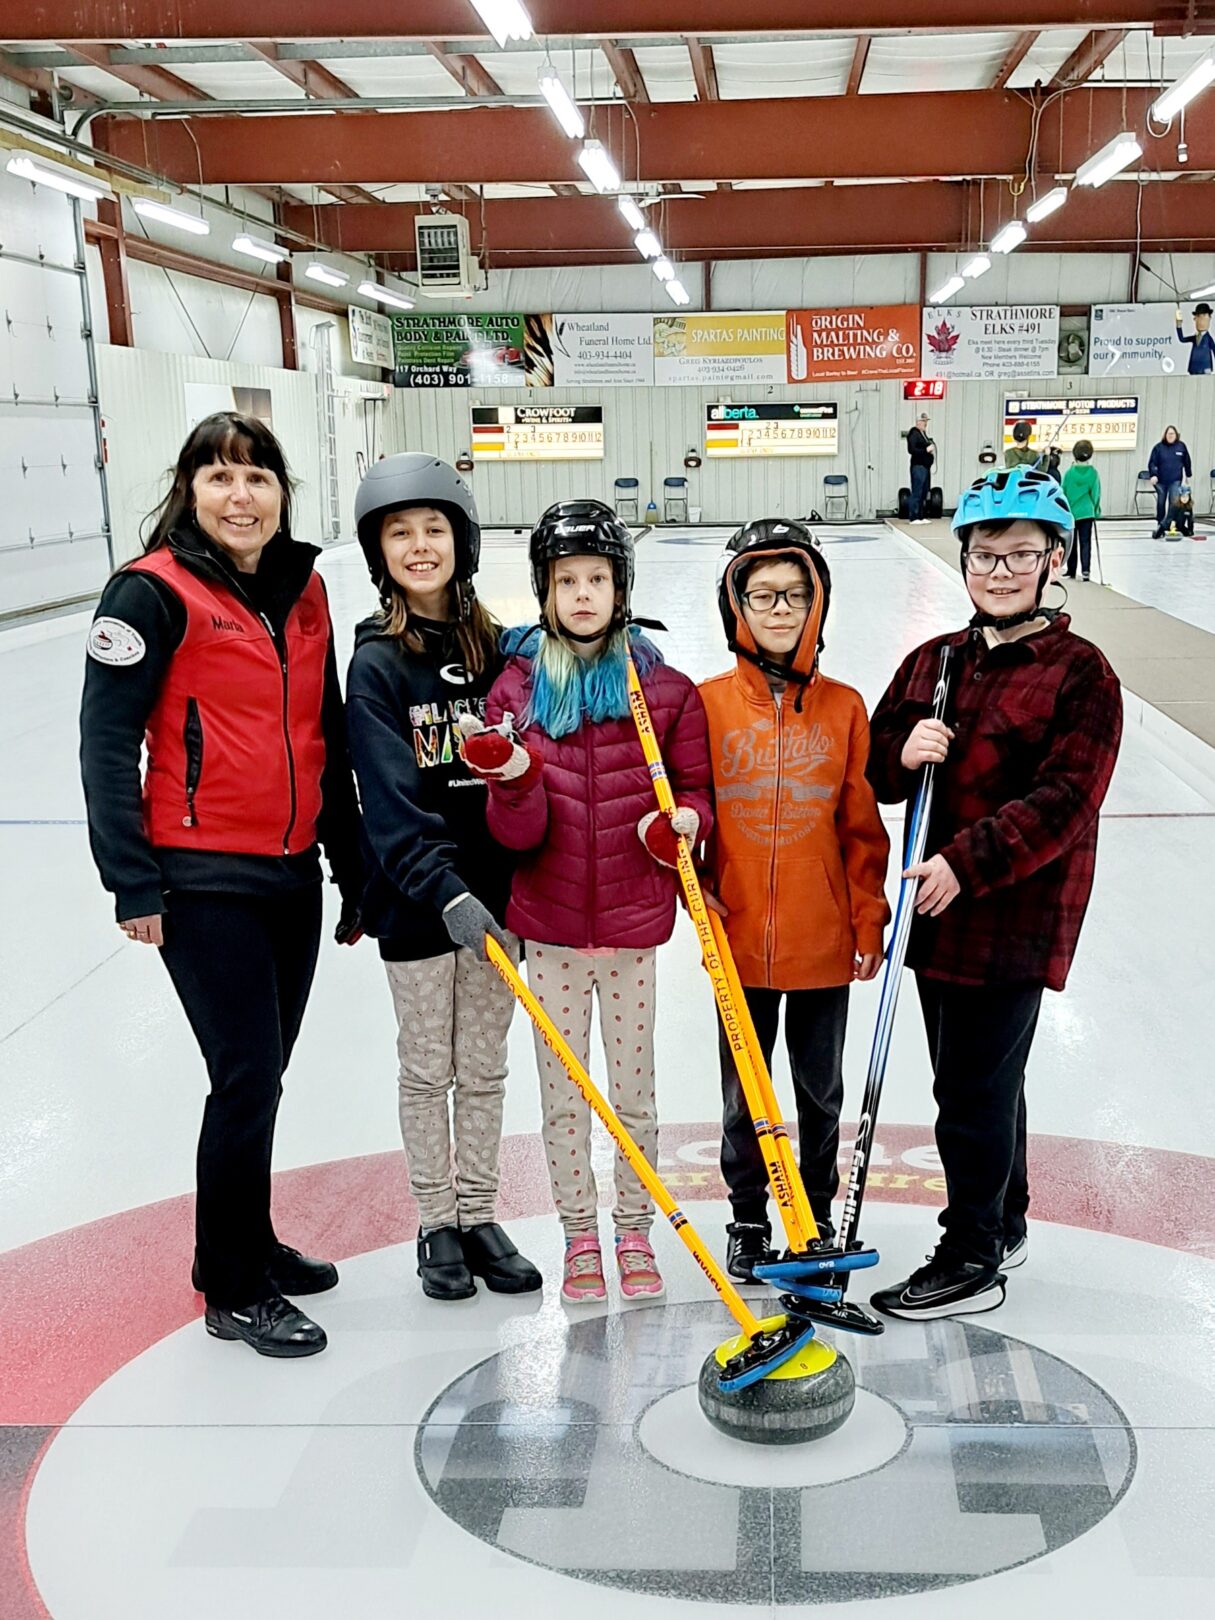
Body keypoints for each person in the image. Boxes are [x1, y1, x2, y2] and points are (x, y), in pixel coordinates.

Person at [80, 412, 364, 1358]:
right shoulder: (147, 595)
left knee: (264, 1075)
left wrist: (349, 866)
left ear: (281, 492)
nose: (240, 497)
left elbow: (323, 736)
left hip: (290, 874)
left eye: (257, 478)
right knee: (242, 1077)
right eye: (219, 478)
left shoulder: (305, 586)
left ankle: (253, 1241)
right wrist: (133, 883)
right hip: (203, 878)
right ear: (189, 492)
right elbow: (107, 743)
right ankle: (230, 1285)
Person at [865, 466, 1122, 1319]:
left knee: (970, 1094)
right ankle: (1003, 1216)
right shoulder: (933, 662)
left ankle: (971, 1252)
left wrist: (964, 863)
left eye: (1020, 554)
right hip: (934, 921)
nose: (1000, 570)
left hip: (1008, 918)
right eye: (984, 554)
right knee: (980, 1080)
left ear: (1055, 561)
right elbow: (872, 766)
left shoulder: (1082, 674)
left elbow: (1064, 801)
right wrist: (901, 753)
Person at [461, 501, 713, 1305]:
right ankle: (578, 1233)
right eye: (564, 580)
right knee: (564, 1098)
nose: (580, 595)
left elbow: (697, 794)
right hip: (553, 933)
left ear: (619, 587)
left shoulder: (664, 691)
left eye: (595, 579)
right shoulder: (517, 690)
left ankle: (633, 1226)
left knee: (632, 1097)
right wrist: (512, 782)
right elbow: (517, 836)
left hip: (633, 931)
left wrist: (685, 824)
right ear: (542, 591)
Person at [345, 454, 541, 1303]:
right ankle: (435, 1222)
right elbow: (387, 803)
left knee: (487, 1067)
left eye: (433, 530)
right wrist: (446, 891)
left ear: (460, 543)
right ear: (377, 550)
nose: (418, 546)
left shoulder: (502, 651)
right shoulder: (377, 666)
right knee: (429, 1068)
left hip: (498, 902)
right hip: (422, 904)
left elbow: (540, 766)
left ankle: (478, 1211)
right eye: (399, 533)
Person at [698, 521, 890, 1282]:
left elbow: (860, 826)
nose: (780, 610)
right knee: (745, 1093)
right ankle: (748, 1220)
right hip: (737, 938)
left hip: (821, 940)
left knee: (819, 1091)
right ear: (735, 604)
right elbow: (690, 812)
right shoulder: (706, 705)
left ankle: (812, 1214)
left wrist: (866, 917)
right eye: (763, 595)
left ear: (817, 604)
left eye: (795, 595)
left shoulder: (843, 708)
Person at [1061, 438, 1101, 581]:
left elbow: (1063, 492)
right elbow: (1096, 493)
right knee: (1086, 542)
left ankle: (1071, 570)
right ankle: (1086, 571)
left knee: (1072, 543)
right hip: (1087, 512)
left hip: (1071, 512)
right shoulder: (1093, 474)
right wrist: (1096, 510)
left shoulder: (1069, 474)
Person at [1148, 425, 1192, 537]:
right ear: (1165, 435)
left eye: (1172, 434)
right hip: (1161, 481)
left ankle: (1169, 525)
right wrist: (1153, 475)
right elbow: (1152, 463)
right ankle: (1160, 524)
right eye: (1168, 434)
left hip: (1175, 480)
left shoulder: (1181, 447)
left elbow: (1187, 461)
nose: (1170, 436)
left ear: (1176, 435)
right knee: (1161, 503)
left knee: (1174, 503)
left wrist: (1188, 474)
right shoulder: (1158, 448)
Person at [906, 413, 935, 524]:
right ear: (918, 422)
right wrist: (926, 450)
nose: (925, 424)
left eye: (926, 421)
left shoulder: (923, 434)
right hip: (918, 466)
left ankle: (921, 516)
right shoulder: (914, 433)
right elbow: (912, 450)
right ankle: (913, 517)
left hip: (925, 466)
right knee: (917, 491)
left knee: (924, 491)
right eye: (924, 421)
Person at [1174, 302, 1215, 375]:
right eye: (1198, 316)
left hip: (1205, 367)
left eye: (1204, 315)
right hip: (1194, 368)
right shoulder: (1195, 337)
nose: (1201, 320)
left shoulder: (1208, 339)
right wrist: (1179, 325)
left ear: (1209, 318)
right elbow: (1182, 339)